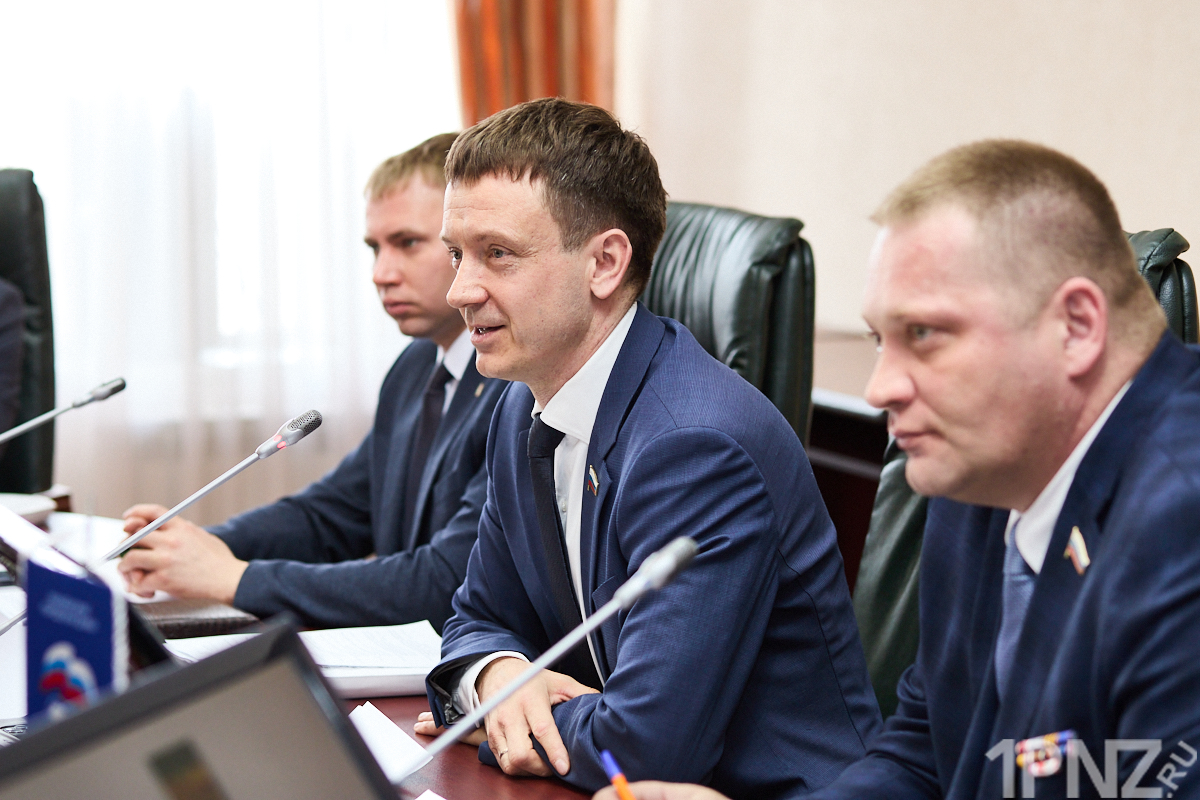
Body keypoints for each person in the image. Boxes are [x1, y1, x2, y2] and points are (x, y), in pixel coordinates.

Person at [598, 140, 1200, 800]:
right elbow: (925, 752)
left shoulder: (1181, 522)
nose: (880, 388)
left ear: (1077, 326)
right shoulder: (984, 472)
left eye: (924, 335)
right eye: (881, 341)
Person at [415, 98, 880, 798]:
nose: (459, 290)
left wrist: (499, 722)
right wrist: (495, 676)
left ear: (605, 263)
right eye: (457, 254)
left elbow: (648, 745)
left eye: (497, 255)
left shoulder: (695, 448)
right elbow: (478, 615)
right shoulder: (520, 405)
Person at [117, 133, 507, 631]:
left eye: (407, 243)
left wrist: (235, 578)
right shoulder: (415, 368)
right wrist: (199, 547)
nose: (381, 273)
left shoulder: (514, 384)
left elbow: (447, 580)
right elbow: (333, 514)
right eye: (374, 248)